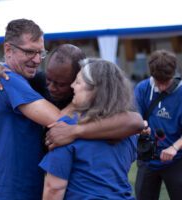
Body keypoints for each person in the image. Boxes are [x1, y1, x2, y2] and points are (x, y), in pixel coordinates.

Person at [0, 44, 144, 150]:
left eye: (61, 84)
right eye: (49, 79)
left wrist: (75, 131)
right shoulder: (40, 80)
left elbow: (135, 121)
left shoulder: (93, 94)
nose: (51, 87)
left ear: (78, 78)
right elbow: (13, 74)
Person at [0, 18, 62, 200]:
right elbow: (59, 119)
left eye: (40, 53)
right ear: (8, 50)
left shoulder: (14, 76)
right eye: (30, 52)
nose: (36, 60)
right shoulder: (8, 79)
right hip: (9, 191)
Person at [39, 58, 137, 199]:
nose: (72, 86)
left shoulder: (66, 129)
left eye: (78, 82)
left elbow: (54, 188)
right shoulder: (127, 130)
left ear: (95, 90)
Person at [134, 49, 182, 200]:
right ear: (152, 75)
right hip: (147, 160)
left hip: (175, 161)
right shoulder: (142, 88)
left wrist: (174, 147)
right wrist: (140, 126)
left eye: (166, 82)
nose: (163, 87)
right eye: (159, 83)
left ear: (173, 73)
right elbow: (134, 116)